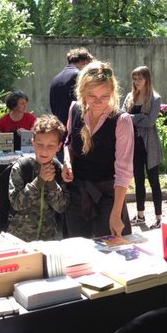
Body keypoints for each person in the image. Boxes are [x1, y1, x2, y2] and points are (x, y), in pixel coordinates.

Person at [61, 61, 134, 238]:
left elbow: (123, 172)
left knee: (111, 255)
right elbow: (68, 143)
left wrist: (116, 214)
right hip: (77, 193)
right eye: (91, 96)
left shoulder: (121, 121)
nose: (98, 102)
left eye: (104, 96)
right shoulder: (74, 109)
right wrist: (67, 162)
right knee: (77, 255)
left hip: (108, 198)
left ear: (112, 93)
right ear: (82, 92)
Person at [9, 115, 70, 241]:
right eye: (40, 144)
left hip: (48, 238)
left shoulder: (59, 170)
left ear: (59, 146)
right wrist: (39, 181)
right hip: (19, 238)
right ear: (33, 142)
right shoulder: (22, 167)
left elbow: (61, 207)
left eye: (51, 146)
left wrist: (52, 183)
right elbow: (16, 204)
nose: (44, 150)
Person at [122, 66, 163, 229]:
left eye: (140, 78)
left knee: (154, 181)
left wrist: (131, 118)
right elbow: (121, 117)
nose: (136, 82)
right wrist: (139, 117)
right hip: (134, 145)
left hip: (150, 145)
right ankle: (140, 215)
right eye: (134, 78)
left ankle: (159, 218)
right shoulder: (129, 97)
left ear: (147, 79)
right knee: (138, 180)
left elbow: (150, 122)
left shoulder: (155, 98)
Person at [49, 47, 94, 161]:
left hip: (60, 130)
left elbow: (53, 106)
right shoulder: (79, 76)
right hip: (75, 131)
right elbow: (83, 105)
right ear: (84, 61)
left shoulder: (56, 78)